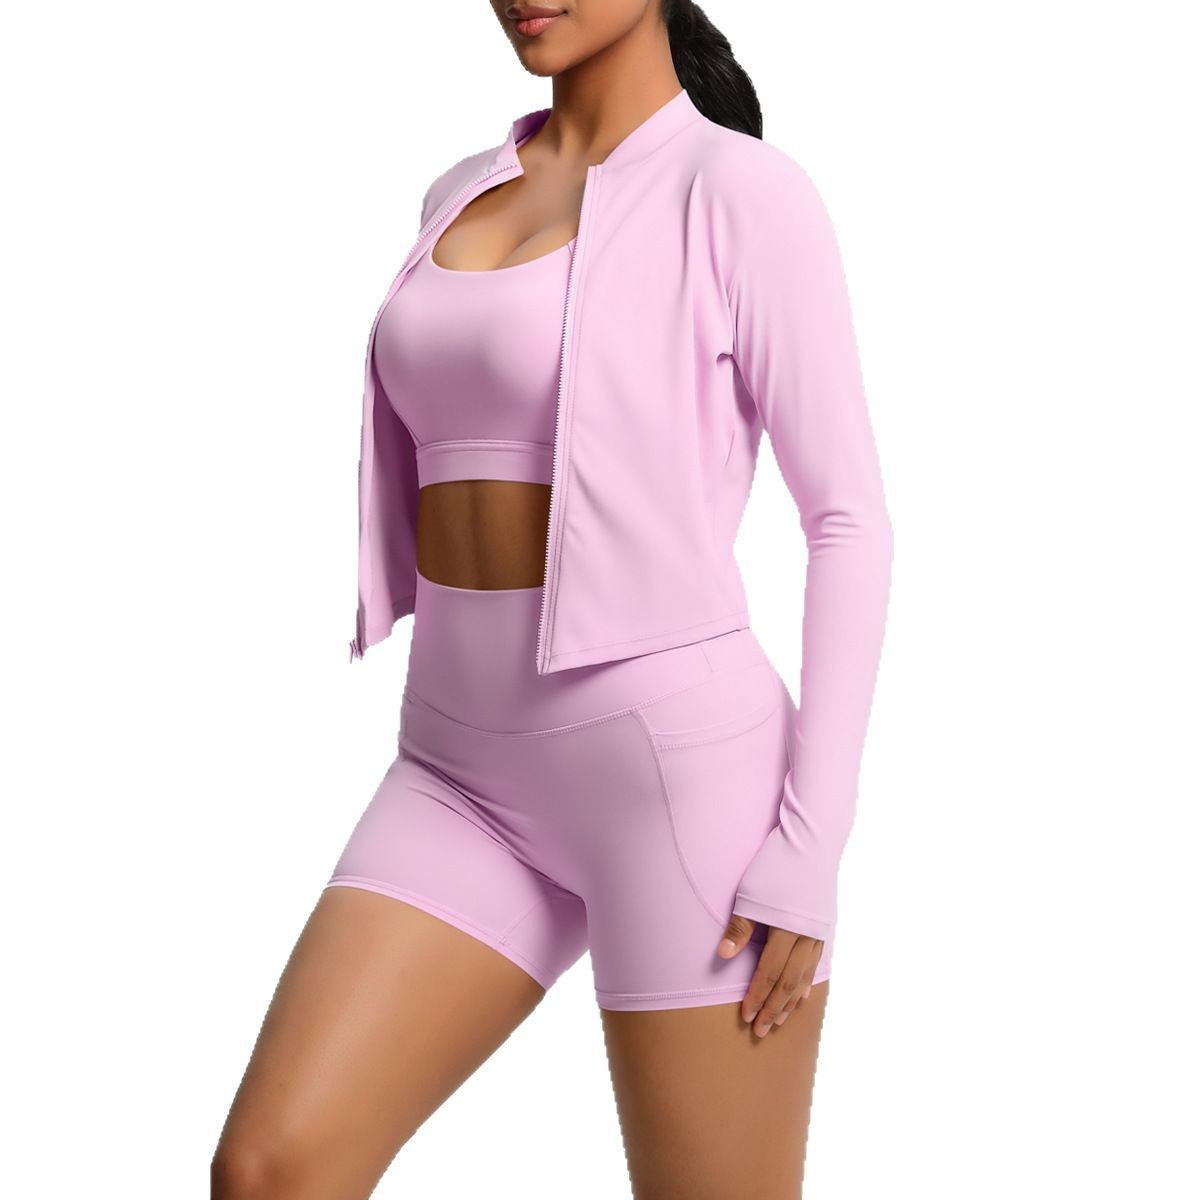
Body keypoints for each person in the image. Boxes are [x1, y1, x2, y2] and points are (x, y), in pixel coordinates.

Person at [212, 1, 893, 1196]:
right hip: (455, 768)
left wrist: (811, 839)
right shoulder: (459, 192)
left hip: (674, 783)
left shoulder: (741, 193)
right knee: (272, 1172)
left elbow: (848, 522)